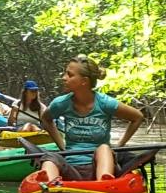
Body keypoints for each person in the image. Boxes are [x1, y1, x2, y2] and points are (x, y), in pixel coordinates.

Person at [38, 57, 145, 185]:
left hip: (99, 164)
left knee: (104, 148)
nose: (64, 77)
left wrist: (120, 145)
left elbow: (137, 117)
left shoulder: (105, 103)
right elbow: (46, 119)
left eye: (70, 75)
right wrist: (62, 145)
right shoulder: (61, 103)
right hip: (72, 167)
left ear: (84, 81)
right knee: (50, 157)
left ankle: (104, 181)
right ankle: (50, 183)